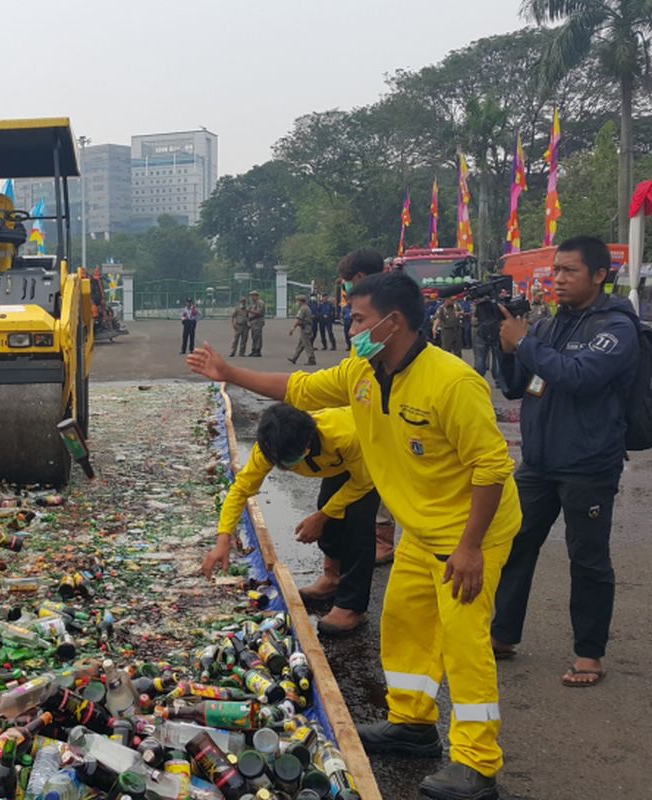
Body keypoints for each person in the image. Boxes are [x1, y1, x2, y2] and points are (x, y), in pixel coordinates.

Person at [188, 271, 521, 800]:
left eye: (360, 317)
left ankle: (477, 763)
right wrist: (228, 371)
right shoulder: (363, 373)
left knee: (464, 643)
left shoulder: (452, 383)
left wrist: (471, 547)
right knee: (404, 623)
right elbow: (296, 387)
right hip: (421, 527)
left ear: (394, 321)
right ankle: (412, 726)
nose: (351, 325)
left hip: (469, 533)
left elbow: (491, 467)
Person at [491, 236, 639, 688]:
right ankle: (502, 635)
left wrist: (526, 343)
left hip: (589, 463)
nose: (557, 279)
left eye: (569, 271)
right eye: (555, 270)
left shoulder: (617, 327)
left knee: (588, 558)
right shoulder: (549, 326)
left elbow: (580, 376)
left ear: (599, 275)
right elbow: (517, 386)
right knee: (513, 543)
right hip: (538, 461)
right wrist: (502, 341)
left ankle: (589, 654)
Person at [202, 404, 379, 634]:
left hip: (370, 457)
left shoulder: (345, 436)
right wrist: (223, 538)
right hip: (338, 465)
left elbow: (363, 482)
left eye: (288, 461)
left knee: (357, 524)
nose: (282, 467)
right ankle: (332, 578)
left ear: (307, 445)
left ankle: (351, 606)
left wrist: (322, 516)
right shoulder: (271, 447)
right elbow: (241, 490)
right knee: (330, 513)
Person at [335, 246, 395, 563]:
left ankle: (383, 541)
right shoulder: (377, 300)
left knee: (381, 473)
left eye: (345, 282)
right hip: (365, 393)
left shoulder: (384, 305)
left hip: (383, 399)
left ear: (358, 278)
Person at [472, 296, 504, 390]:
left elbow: (475, 319)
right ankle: (498, 380)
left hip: (482, 333)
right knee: (497, 359)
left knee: (480, 359)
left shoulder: (479, 305)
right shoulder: (499, 305)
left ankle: (478, 379)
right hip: (495, 333)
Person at [287, 294, 315, 365]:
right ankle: (294, 358)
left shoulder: (303, 308)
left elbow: (299, 320)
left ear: (301, 301)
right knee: (301, 344)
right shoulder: (307, 308)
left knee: (306, 344)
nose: (297, 303)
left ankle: (311, 359)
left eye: (298, 301)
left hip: (305, 328)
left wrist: (293, 329)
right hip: (307, 327)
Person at [247, 291, 266, 356]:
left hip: (258, 321)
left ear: (256, 296)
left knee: (257, 336)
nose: (251, 297)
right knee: (254, 336)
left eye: (253, 296)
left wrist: (249, 311)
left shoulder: (260, 303)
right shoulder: (253, 303)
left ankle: (257, 350)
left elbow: (259, 312)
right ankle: (254, 349)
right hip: (253, 321)